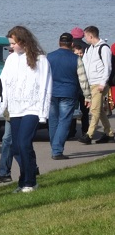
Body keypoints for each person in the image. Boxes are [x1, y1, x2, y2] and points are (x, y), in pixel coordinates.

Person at [0, 26, 51, 193]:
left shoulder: (40, 60)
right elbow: (4, 85)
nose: (11, 47)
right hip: (15, 109)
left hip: (32, 108)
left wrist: (43, 112)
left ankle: (31, 182)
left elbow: (46, 86)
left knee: (24, 144)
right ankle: (23, 180)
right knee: (16, 147)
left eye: (13, 43)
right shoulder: (11, 60)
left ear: (23, 42)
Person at [47, 33, 81, 161]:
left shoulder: (49, 57)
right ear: (72, 44)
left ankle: (54, 146)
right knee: (64, 121)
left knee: (53, 120)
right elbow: (82, 78)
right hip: (68, 92)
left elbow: (44, 75)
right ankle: (57, 150)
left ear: (59, 42)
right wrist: (87, 96)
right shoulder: (76, 58)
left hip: (52, 92)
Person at [83, 26, 112, 143]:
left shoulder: (104, 48)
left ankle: (89, 135)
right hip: (90, 83)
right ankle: (109, 133)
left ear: (91, 36)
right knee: (99, 110)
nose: (85, 38)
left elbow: (108, 67)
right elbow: (85, 64)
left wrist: (103, 83)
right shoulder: (89, 49)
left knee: (94, 110)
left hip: (99, 84)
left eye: (85, 36)